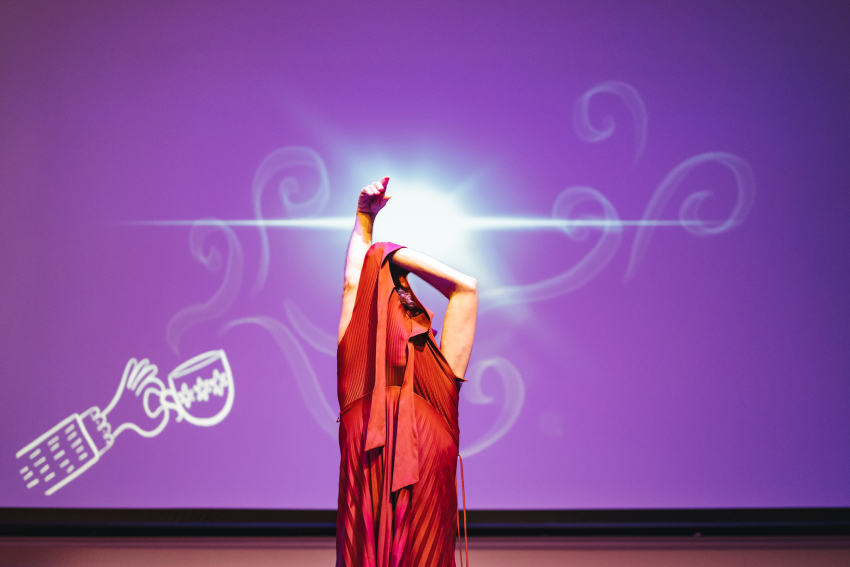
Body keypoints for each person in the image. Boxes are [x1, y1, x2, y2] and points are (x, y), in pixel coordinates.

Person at [336, 177, 478, 567]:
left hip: (428, 495)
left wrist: (391, 254)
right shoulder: (355, 364)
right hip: (369, 490)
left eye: (402, 301)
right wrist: (365, 220)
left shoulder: (442, 370)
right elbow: (353, 285)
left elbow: (465, 288)